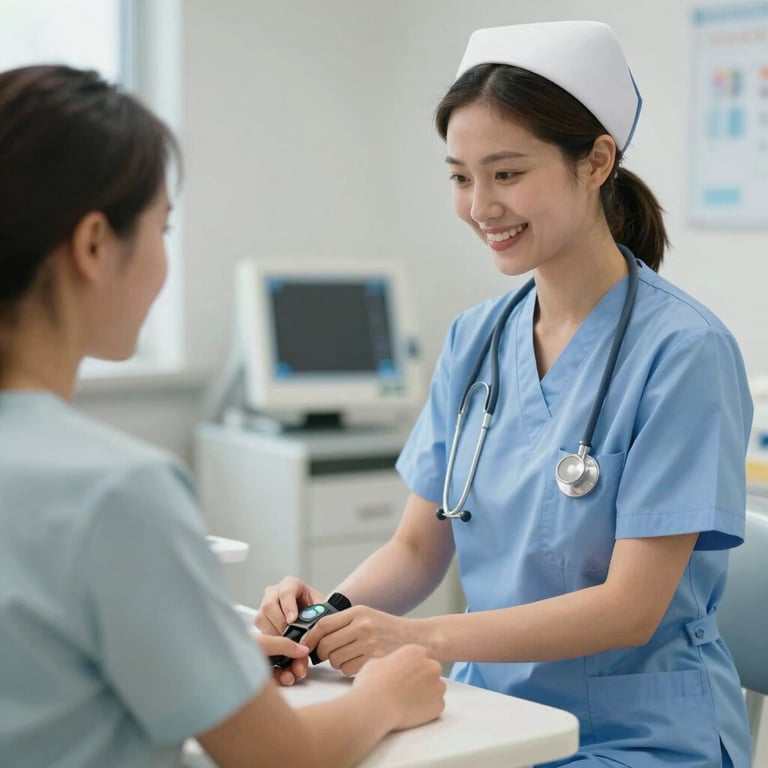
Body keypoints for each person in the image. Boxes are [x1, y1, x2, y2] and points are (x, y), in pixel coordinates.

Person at [256, 21, 754, 767]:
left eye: (507, 173)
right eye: (461, 176)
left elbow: (631, 608)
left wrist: (420, 637)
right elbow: (419, 547)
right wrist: (324, 619)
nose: (481, 205)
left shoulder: (684, 352)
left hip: (637, 736)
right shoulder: (476, 339)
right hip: (487, 710)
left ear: (596, 161)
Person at [0, 64, 445, 768]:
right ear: (92, 246)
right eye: (162, 231)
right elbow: (280, 758)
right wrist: (388, 692)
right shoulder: (119, 491)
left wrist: (205, 655)